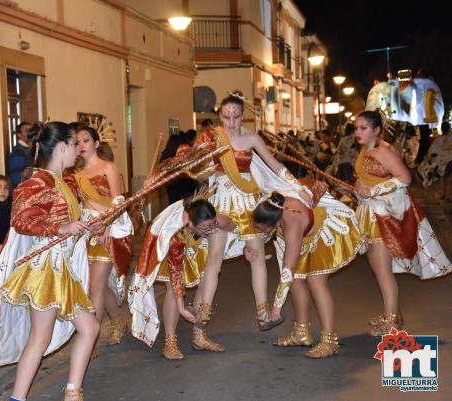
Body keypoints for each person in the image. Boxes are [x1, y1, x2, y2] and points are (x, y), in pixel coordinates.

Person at [0, 121, 101, 401]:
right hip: (45, 270)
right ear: (62, 147)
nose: (78, 149)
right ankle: (24, 397)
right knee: (43, 338)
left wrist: (84, 227)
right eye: (75, 144)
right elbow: (22, 221)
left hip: (59, 267)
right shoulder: (36, 181)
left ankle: (71, 392)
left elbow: (62, 222)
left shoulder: (63, 182)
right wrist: (61, 229)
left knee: (86, 328)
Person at [192, 90, 306, 331]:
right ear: (220, 116)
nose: (231, 122)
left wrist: (297, 186)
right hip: (221, 201)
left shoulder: (253, 139)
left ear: (242, 116)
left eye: (235, 117)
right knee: (214, 258)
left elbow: (274, 166)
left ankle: (263, 313)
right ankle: (202, 316)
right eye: (226, 117)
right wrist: (206, 169)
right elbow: (199, 172)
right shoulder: (212, 140)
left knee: (257, 257)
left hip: (246, 201)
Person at [353, 110, 451, 336]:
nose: (358, 132)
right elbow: (367, 179)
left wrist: (373, 190)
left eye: (363, 128)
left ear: (376, 130)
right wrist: (357, 190)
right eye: (356, 128)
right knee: (378, 269)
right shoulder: (365, 149)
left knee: (382, 270)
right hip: (368, 214)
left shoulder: (384, 151)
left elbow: (404, 178)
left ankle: (393, 322)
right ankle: (393, 314)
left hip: (384, 215)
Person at [251, 185, 364, 358]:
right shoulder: (268, 205)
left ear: (273, 222)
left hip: (326, 229)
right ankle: (301, 333)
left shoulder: (292, 221)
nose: (259, 232)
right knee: (297, 280)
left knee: (315, 281)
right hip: (301, 232)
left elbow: (287, 270)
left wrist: (276, 309)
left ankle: (329, 341)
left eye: (262, 229)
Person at [129, 193, 235, 359]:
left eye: (212, 225)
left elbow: (230, 225)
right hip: (166, 248)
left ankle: (199, 336)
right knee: (173, 290)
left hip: (191, 241)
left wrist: (218, 224)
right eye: (206, 228)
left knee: (203, 279)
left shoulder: (204, 216)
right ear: (190, 224)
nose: (210, 230)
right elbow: (176, 275)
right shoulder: (175, 233)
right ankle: (169, 342)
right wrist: (181, 308)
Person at [73, 126, 133, 345]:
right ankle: (118, 318)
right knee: (95, 284)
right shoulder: (76, 175)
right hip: (87, 232)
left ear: (96, 144)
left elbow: (118, 202)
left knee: (95, 286)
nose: (81, 145)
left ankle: (92, 339)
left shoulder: (108, 167)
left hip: (108, 229)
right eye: (77, 141)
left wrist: (107, 226)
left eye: (85, 140)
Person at [9, 122, 32, 187]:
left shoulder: (31, 149)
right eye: (27, 131)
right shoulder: (18, 151)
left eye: (31, 131)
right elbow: (15, 180)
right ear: (19, 135)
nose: (30, 133)